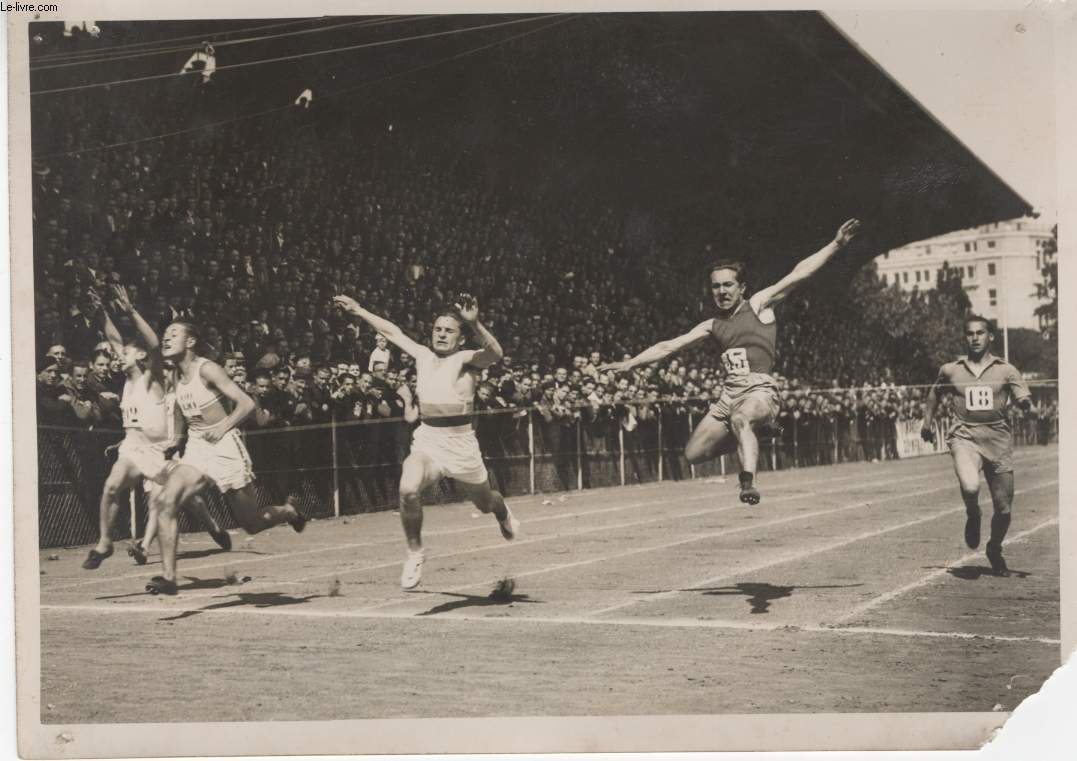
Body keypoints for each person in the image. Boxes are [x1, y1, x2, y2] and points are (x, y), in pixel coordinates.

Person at [600, 219, 860, 505]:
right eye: (715, 287)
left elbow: (797, 274)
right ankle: (757, 432)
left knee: (741, 419)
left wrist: (835, 245)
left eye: (728, 285)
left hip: (759, 390)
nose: (722, 292)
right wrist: (630, 364)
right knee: (694, 454)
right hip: (728, 395)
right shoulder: (711, 325)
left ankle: (747, 483)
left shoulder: (759, 304)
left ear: (742, 288)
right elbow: (668, 346)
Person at [333, 293, 519, 590]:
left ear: (460, 338)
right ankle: (415, 552)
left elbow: (495, 353)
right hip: (429, 440)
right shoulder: (422, 355)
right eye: (438, 329)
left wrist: (475, 323)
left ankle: (502, 512)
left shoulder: (465, 359)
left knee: (485, 503)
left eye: (449, 330)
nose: (442, 334)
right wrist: (359, 310)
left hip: (461, 445)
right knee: (408, 489)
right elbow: (391, 331)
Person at [149, 321, 306, 595]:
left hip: (225, 448)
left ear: (190, 342)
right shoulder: (174, 374)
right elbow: (177, 407)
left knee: (251, 523)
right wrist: (176, 438)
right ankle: (169, 577)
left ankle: (288, 511)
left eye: (173, 334)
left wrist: (222, 427)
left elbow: (246, 403)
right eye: (164, 334)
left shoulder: (207, 369)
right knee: (165, 500)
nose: (166, 338)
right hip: (198, 447)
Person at [82, 286, 231, 570]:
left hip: (161, 451)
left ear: (139, 357)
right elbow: (113, 337)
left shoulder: (152, 380)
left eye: (124, 353)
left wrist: (131, 312)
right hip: (133, 447)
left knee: (190, 501)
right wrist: (100, 310)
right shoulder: (127, 379)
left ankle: (213, 526)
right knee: (111, 486)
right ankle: (104, 543)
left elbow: (152, 345)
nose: (117, 356)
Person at [921, 316, 1033, 575]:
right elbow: (934, 393)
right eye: (970, 333)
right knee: (970, 485)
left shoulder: (1006, 370)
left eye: (980, 333)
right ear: (965, 337)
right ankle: (973, 514)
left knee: (1004, 509)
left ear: (990, 336)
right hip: (965, 436)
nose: (975, 337)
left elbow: (1023, 397)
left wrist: (1028, 407)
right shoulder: (951, 370)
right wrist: (927, 423)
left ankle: (994, 548)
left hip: (998, 440)